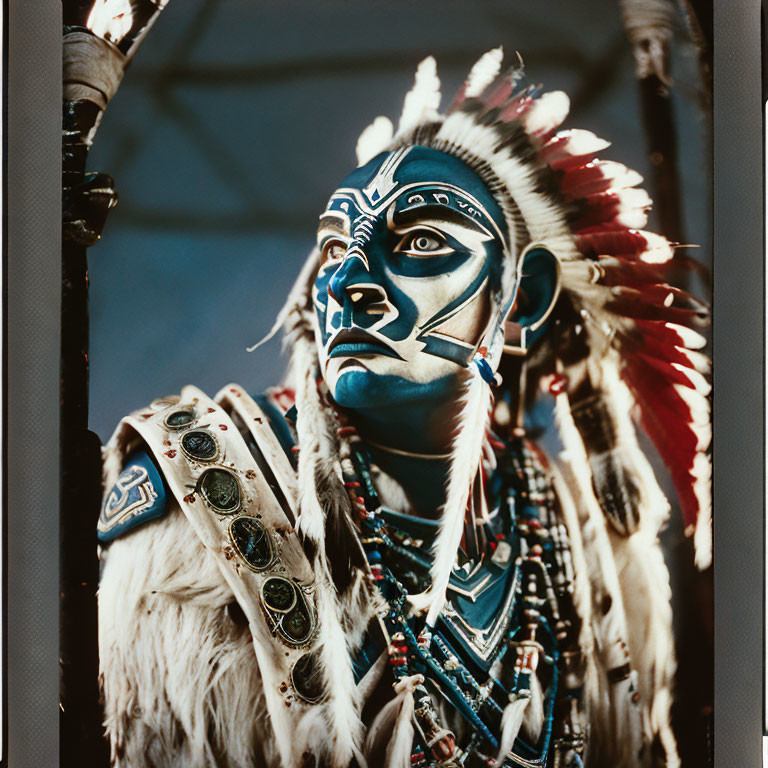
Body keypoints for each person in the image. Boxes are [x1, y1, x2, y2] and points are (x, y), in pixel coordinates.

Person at [96, 49, 710, 768]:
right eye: (335, 248)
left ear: (524, 299)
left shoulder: (565, 521)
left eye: (421, 241)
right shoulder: (201, 485)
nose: (349, 280)